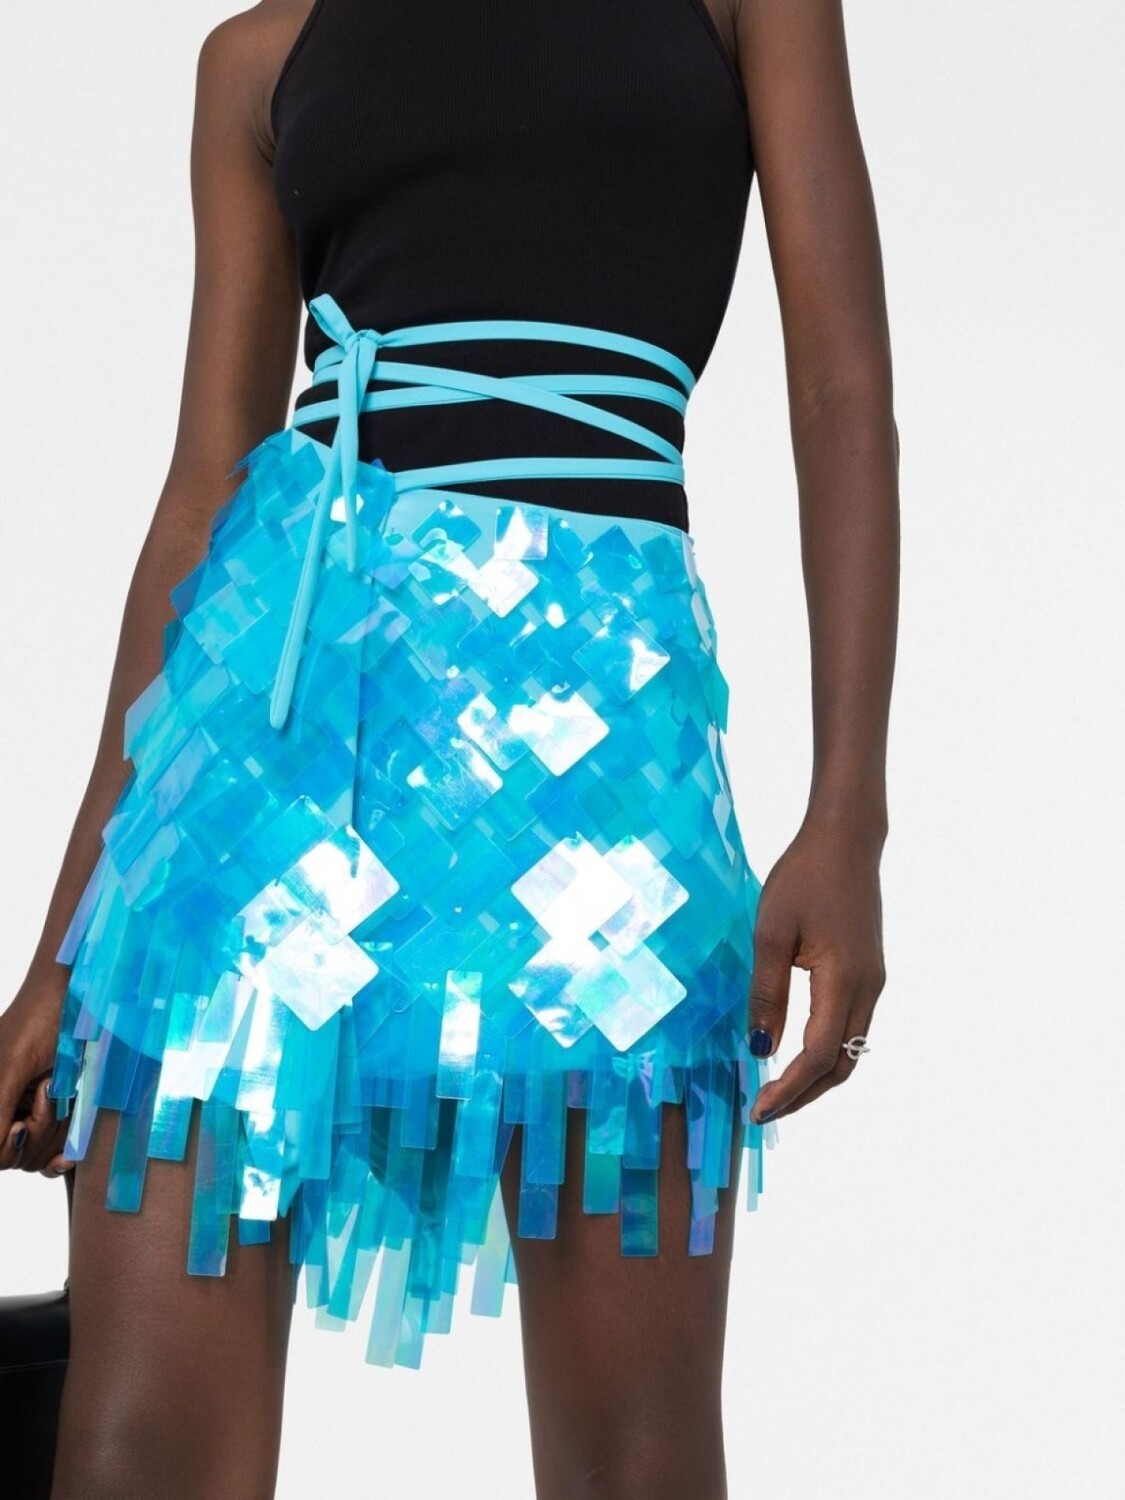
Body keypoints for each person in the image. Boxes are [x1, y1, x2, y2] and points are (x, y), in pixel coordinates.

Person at [0, 1, 897, 1496]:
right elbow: (201, 488)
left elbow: (842, 389)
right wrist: (62, 944)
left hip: (599, 750)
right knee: (138, 1446)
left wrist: (847, 816)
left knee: (636, 1456)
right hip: (259, 741)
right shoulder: (259, 57)